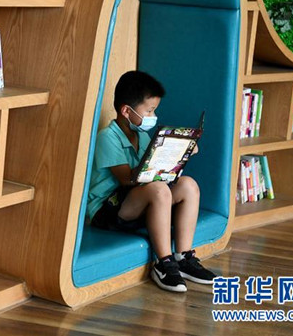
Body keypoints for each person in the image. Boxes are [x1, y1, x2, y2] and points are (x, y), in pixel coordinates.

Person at [87, 70, 217, 293]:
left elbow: (154, 173)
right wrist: (162, 160)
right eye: (149, 111)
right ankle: (164, 263)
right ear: (126, 111)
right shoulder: (107, 138)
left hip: (137, 201)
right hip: (108, 209)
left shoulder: (142, 136)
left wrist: (180, 153)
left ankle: (184, 257)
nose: (153, 116)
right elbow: (127, 179)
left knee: (188, 185)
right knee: (158, 189)